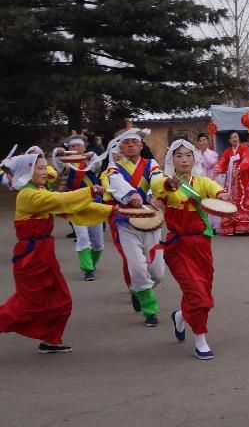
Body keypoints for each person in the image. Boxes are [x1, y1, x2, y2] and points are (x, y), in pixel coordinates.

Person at [1, 151, 112, 353]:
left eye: (45, 167)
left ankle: (50, 340)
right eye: (40, 168)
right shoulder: (27, 195)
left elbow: (74, 210)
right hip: (30, 256)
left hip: (45, 253)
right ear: (27, 171)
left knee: (61, 300)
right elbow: (62, 201)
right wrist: (89, 191)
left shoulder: (40, 191)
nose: (45, 172)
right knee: (26, 306)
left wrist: (111, 211)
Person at [150, 140, 230, 359]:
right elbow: (157, 188)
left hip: (202, 246)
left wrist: (221, 195)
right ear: (171, 160)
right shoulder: (165, 182)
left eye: (188, 155)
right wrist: (168, 187)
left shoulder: (202, 182)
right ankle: (200, 339)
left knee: (202, 290)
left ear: (195, 159)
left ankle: (181, 316)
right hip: (178, 247)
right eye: (179, 156)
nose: (184, 159)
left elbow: (214, 188)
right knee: (197, 294)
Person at [101, 128, 167, 326]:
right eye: (126, 142)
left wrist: (154, 194)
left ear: (141, 146)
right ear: (120, 147)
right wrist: (132, 194)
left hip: (151, 222)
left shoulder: (151, 164)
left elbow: (157, 180)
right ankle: (150, 309)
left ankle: (138, 289)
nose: (130, 145)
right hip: (126, 223)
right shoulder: (113, 168)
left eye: (134, 142)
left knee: (158, 273)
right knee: (137, 268)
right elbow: (116, 182)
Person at [52, 134, 105, 280]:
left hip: (94, 203)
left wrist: (91, 154)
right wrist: (58, 152)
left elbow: (98, 164)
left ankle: (92, 263)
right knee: (83, 237)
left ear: (84, 147)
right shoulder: (66, 164)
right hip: (75, 205)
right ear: (68, 148)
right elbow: (57, 161)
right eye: (72, 146)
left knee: (98, 242)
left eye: (78, 146)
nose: (76, 148)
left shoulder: (90, 162)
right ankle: (88, 269)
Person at [213, 131, 249, 236]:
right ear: (229, 140)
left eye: (235, 137)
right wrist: (216, 170)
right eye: (232, 138)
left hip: (244, 179)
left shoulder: (244, 148)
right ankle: (233, 226)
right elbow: (222, 161)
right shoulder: (227, 151)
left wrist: (239, 168)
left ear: (239, 139)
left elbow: (247, 159)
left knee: (246, 200)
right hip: (231, 181)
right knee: (231, 200)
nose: (234, 139)